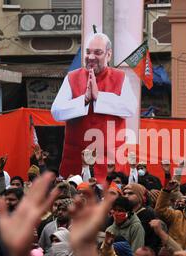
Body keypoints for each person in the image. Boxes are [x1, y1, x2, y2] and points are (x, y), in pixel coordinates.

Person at [51, 32, 136, 181]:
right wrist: (84, 99)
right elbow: (56, 111)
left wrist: (99, 97)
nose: (91, 57)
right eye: (88, 52)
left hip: (111, 161)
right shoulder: (72, 77)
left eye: (98, 52)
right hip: (76, 160)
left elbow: (130, 108)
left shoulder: (120, 77)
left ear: (108, 55)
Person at [122, 183, 160, 252]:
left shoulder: (148, 213)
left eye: (130, 193)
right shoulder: (121, 212)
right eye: (124, 194)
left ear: (140, 196)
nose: (126, 196)